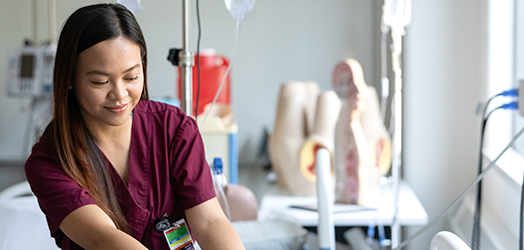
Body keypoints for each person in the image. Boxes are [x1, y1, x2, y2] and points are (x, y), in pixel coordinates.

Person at [24, 3, 245, 250]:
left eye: (131, 77)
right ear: (69, 79)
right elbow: (103, 238)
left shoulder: (174, 130)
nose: (120, 94)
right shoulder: (51, 161)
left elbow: (210, 221)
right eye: (101, 81)